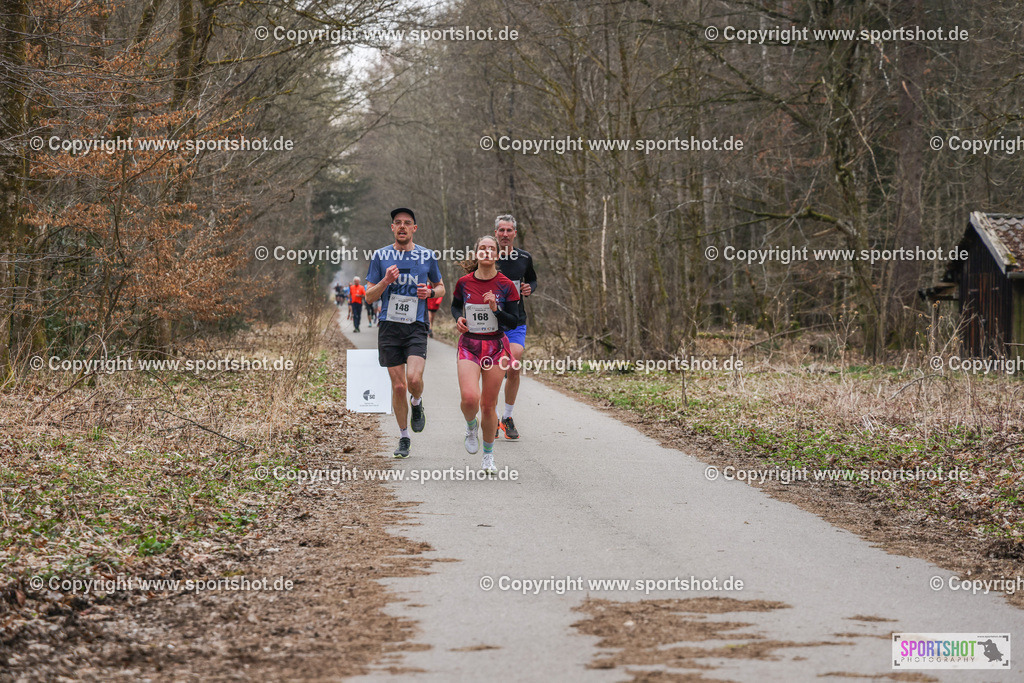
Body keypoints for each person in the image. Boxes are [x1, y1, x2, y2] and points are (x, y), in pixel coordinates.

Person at [363, 208, 445, 459]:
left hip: (417, 326)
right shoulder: (380, 256)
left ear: (414, 229)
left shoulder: (427, 256)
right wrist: (385, 281)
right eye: (397, 223)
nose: (402, 227)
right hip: (389, 326)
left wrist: (430, 294)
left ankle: (417, 403)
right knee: (398, 386)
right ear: (392, 228)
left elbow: (441, 287)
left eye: (407, 223)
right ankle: (403, 437)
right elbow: (368, 296)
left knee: (414, 380)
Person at [452, 235, 520, 474]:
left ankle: (488, 457)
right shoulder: (463, 282)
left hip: (496, 346)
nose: (487, 252)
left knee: (488, 406)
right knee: (469, 399)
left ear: (497, 255)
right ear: (476, 253)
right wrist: (458, 319)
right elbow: (454, 305)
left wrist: (496, 310)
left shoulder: (506, 285)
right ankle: (471, 427)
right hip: (469, 345)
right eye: (483, 248)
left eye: (492, 249)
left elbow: (514, 322)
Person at [493, 214, 538, 440]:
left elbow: (532, 280)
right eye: (501, 230)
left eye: (509, 230)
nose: (505, 234)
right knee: (490, 370)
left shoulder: (524, 257)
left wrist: (530, 289)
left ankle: (507, 417)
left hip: (516, 320)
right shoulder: (487, 257)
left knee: (514, 363)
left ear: (515, 234)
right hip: (489, 324)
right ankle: (492, 414)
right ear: (495, 234)